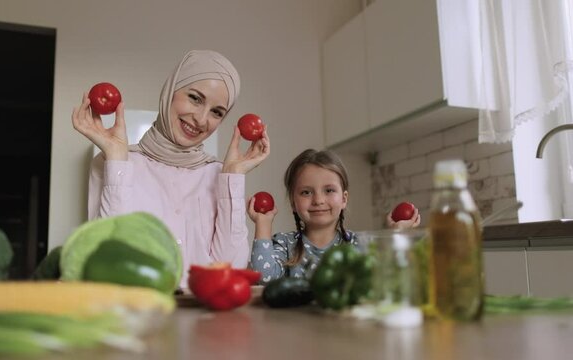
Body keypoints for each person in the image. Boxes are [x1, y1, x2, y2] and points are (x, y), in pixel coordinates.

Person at [72, 50, 270, 287]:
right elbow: (105, 260)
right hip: (138, 318)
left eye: (217, 112)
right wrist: (116, 159)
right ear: (171, 90)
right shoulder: (113, 163)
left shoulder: (219, 174)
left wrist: (233, 178)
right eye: (195, 98)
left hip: (203, 320)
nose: (201, 118)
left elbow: (230, 270)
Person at [247, 149, 419, 284]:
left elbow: (389, 276)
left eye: (329, 190)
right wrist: (263, 224)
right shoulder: (284, 245)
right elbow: (263, 277)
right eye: (306, 192)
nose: (318, 200)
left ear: (344, 199)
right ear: (293, 202)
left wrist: (397, 235)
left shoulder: (359, 244)